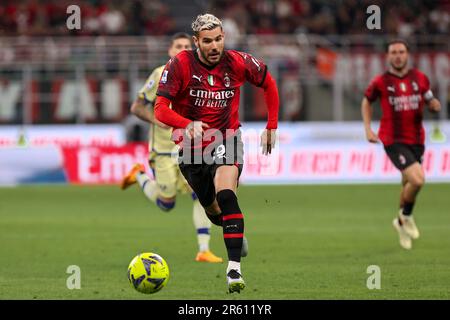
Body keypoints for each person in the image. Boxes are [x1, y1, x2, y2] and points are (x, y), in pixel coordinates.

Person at [153, 13, 279, 293]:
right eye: (208, 41)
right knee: (212, 209)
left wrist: (271, 126)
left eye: (219, 39)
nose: (214, 46)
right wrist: (187, 124)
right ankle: (233, 231)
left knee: (226, 194)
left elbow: (268, 83)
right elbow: (160, 109)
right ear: (196, 42)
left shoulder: (238, 61)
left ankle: (234, 269)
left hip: (227, 137)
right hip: (190, 149)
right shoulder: (179, 65)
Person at [121, 32, 223, 264]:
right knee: (167, 203)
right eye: (178, 46)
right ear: (170, 50)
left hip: (189, 150)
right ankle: (138, 174)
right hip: (164, 151)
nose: (182, 49)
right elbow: (137, 107)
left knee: (202, 195)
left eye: (187, 46)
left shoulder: (201, 76)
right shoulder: (159, 75)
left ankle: (204, 250)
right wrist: (159, 120)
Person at [361, 39, 441, 250]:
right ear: (388, 56)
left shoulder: (420, 78)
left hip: (416, 139)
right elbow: (367, 101)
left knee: (407, 184)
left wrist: (433, 104)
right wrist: (368, 129)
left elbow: (429, 97)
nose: (398, 55)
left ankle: (399, 223)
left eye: (401, 52)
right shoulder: (381, 81)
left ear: (407, 55)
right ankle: (406, 216)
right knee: (418, 180)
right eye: (394, 52)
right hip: (393, 139)